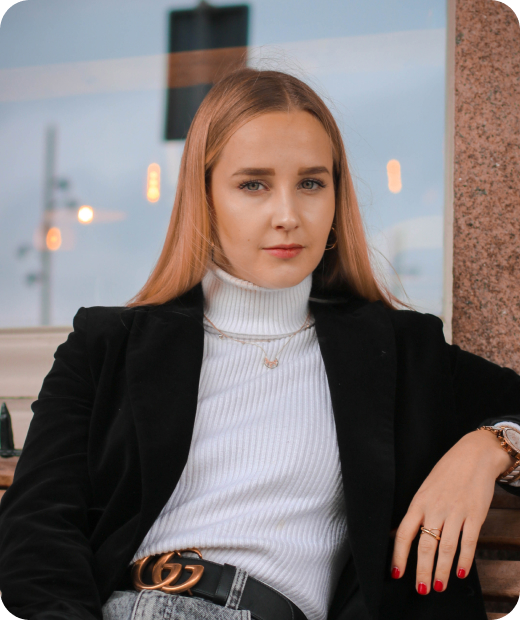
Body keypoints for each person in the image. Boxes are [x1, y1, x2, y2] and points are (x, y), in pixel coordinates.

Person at [1, 68, 520, 620]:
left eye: (311, 183)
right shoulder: (106, 346)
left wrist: (490, 448)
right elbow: (37, 531)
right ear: (205, 198)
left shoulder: (400, 351)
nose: (288, 216)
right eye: (253, 184)